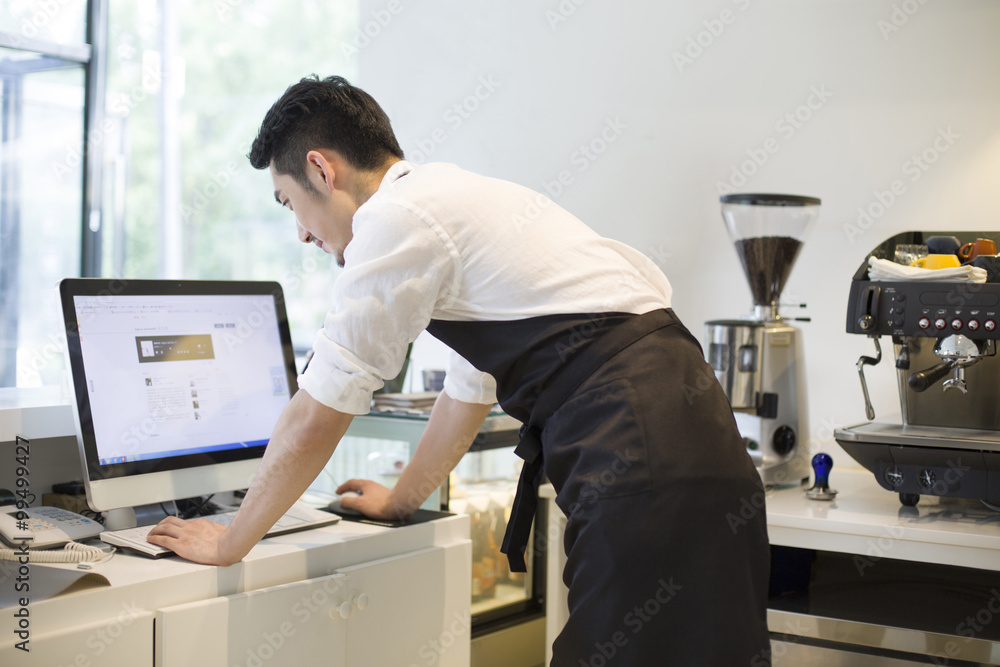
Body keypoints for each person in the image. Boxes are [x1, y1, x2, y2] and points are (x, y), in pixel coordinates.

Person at [148, 75, 771, 665]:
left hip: (642, 457)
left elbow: (318, 410)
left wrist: (231, 542)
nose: (301, 235)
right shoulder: (455, 200)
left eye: (289, 204)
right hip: (692, 445)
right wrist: (401, 500)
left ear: (321, 168)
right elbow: (472, 387)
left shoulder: (395, 221)